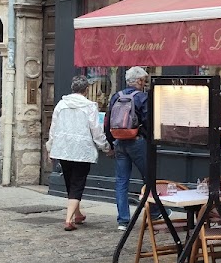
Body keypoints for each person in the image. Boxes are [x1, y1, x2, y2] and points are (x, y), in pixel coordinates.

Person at [48, 76, 111, 231]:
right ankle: (69, 219)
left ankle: (77, 213)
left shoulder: (61, 105)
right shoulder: (89, 106)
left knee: (70, 181)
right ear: (86, 90)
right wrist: (106, 147)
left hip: (64, 148)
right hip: (82, 150)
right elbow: (96, 130)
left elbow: (53, 128)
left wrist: (50, 147)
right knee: (78, 182)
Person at [105, 67, 149, 231]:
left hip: (119, 141)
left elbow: (108, 121)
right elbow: (148, 121)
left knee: (121, 181)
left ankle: (123, 221)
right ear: (138, 81)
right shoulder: (142, 98)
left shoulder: (117, 96)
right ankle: (156, 212)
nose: (144, 84)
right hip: (137, 141)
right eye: (144, 81)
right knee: (149, 178)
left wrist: (110, 143)